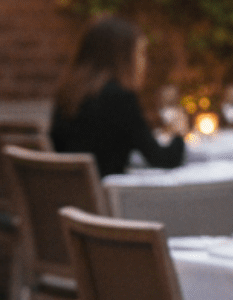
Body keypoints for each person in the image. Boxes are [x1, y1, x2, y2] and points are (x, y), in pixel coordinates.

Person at [49, 16, 184, 179]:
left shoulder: (69, 94)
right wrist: (178, 132)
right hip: (106, 192)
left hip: (71, 189)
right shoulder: (121, 98)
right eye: (140, 53)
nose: (145, 62)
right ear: (123, 57)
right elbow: (164, 159)